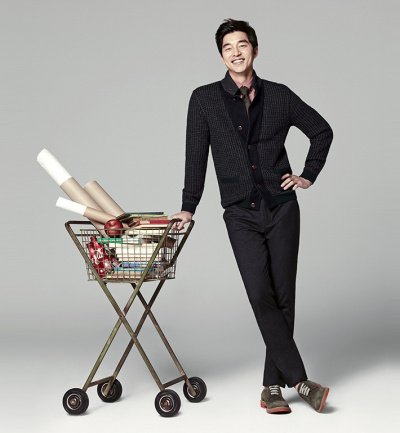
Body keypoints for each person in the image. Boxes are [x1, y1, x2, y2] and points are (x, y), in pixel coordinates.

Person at [170, 18, 333, 414]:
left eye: (242, 45)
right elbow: (196, 156)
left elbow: (321, 131)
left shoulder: (279, 95)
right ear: (221, 56)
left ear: (255, 50)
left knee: (284, 296)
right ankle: (301, 380)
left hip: (282, 208)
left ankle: (271, 388)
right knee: (260, 293)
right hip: (240, 212)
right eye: (228, 47)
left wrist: (308, 174)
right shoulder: (204, 100)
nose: (236, 52)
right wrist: (189, 206)